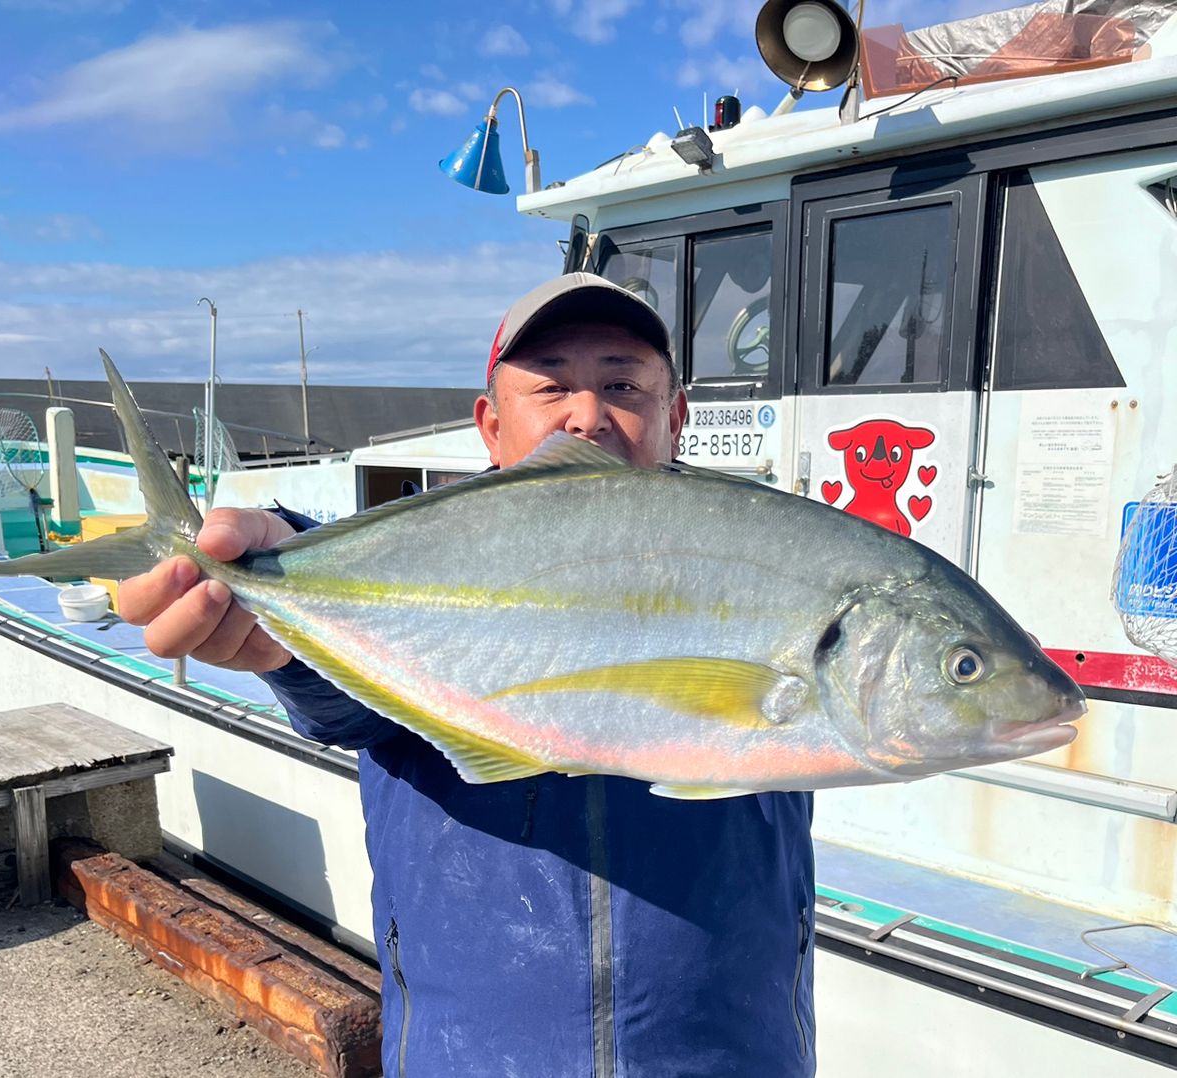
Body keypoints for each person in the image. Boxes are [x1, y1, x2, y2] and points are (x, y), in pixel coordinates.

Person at [119, 273, 817, 1077]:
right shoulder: (422, 562)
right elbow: (349, 704)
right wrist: (279, 622)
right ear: (490, 424)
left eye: (622, 383)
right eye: (552, 385)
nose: (587, 414)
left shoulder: (768, 560)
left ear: (677, 414)